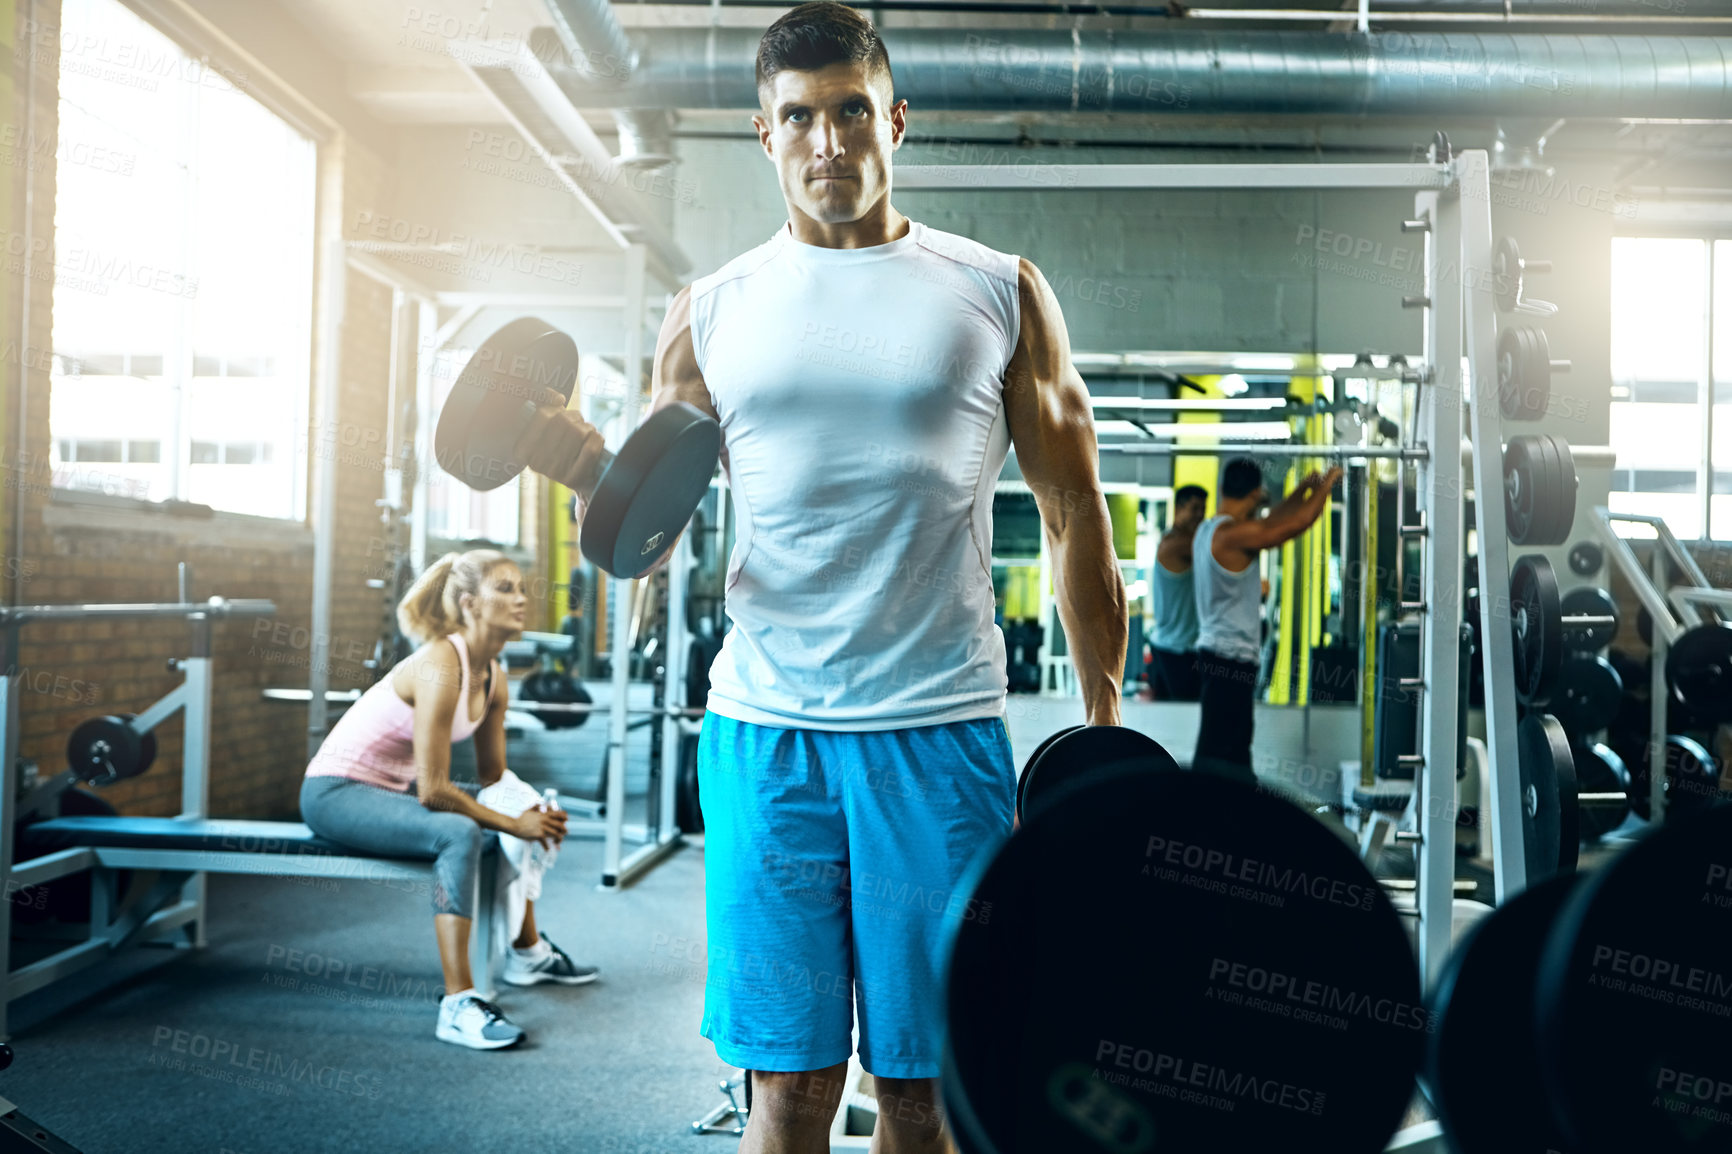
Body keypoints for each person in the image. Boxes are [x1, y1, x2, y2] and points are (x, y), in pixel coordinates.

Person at [512, 4, 1124, 1147]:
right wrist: (582, 478)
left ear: (895, 120)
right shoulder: (708, 311)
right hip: (764, 729)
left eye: (851, 111)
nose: (828, 143)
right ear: (764, 133)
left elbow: (1070, 507)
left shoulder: (997, 290)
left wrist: (1101, 721)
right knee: (785, 1086)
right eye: (800, 117)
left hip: (936, 733)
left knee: (921, 1087)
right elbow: (649, 514)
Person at [298, 549, 595, 1051]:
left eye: (521, 588)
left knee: (518, 806)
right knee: (460, 831)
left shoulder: (494, 674)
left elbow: (493, 777)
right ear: (467, 603)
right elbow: (436, 791)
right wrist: (508, 821)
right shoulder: (441, 662)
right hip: (335, 792)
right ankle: (458, 1003)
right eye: (504, 589)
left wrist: (528, 812)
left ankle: (525, 950)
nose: (521, 599)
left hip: (389, 790)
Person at [1191, 458, 1341, 782]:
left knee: (1230, 754)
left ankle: (1228, 821)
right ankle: (1205, 822)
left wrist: (1304, 489)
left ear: (1222, 488)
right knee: (1222, 758)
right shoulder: (1230, 535)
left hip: (1224, 658)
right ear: (1257, 493)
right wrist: (1328, 484)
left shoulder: (1209, 529)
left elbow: (1272, 521)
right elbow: (1292, 524)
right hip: (1227, 660)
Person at [1147, 484, 1209, 701]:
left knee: (1173, 722)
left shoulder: (1189, 542)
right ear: (1178, 509)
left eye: (1203, 509)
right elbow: (1216, 545)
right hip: (1175, 652)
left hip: (1176, 648)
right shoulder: (1175, 544)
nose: (1200, 515)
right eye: (1194, 508)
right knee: (1185, 719)